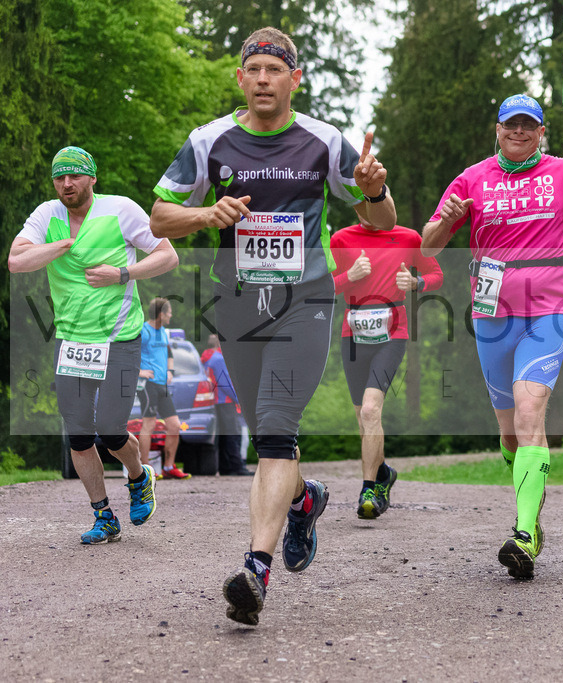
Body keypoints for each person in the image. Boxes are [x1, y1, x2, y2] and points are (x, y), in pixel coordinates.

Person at [150, 27, 397, 625]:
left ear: (294, 79)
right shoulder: (209, 141)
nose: (263, 79)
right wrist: (207, 213)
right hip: (236, 304)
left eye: (274, 70)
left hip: (304, 301)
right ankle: (305, 498)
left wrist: (374, 188)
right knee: (267, 433)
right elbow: (158, 216)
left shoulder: (324, 140)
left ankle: (255, 571)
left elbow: (382, 218)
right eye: (253, 69)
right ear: (240, 78)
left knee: (277, 428)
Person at [422, 94, 563, 579]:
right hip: (492, 314)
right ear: (497, 128)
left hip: (548, 311)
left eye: (529, 126)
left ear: (541, 132)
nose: (519, 132)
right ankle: (530, 505)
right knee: (510, 433)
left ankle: (524, 533)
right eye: (511, 125)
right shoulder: (472, 179)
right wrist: (448, 218)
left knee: (529, 414)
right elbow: (427, 246)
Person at [8, 145, 177, 543]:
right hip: (71, 340)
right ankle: (104, 516)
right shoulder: (47, 215)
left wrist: (123, 273)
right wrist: (61, 246)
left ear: (92, 177)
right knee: (79, 434)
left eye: (76, 175)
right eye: (60, 177)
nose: (67, 184)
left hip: (119, 337)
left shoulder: (120, 209)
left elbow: (166, 255)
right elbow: (17, 261)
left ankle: (139, 476)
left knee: (111, 428)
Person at [330, 220, 443, 518]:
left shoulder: (408, 237)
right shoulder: (341, 238)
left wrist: (417, 283)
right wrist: (348, 277)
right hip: (352, 331)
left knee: (370, 410)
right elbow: (323, 285)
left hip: (392, 333)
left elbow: (437, 275)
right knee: (362, 416)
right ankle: (383, 474)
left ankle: (369, 488)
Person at [137, 297, 189, 479]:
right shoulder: (143, 330)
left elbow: (168, 352)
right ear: (161, 314)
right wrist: (139, 371)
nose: (171, 315)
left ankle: (168, 467)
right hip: (147, 385)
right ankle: (145, 468)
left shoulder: (164, 332)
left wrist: (170, 370)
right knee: (149, 424)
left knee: (174, 425)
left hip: (162, 384)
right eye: (169, 312)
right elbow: (129, 352)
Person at [202, 334, 252, 476]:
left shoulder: (211, 358)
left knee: (225, 436)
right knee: (233, 434)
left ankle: (226, 467)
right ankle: (236, 467)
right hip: (225, 401)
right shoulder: (219, 358)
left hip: (219, 401)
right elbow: (225, 383)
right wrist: (238, 399)